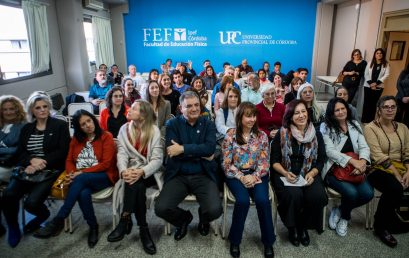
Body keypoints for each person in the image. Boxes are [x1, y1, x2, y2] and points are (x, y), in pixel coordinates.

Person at [33, 110, 118, 247]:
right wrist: (72, 173)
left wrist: (80, 173)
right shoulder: (76, 140)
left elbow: (106, 164)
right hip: (81, 178)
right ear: (79, 128)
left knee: (81, 180)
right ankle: (93, 226)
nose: (88, 125)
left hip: (104, 176)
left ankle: (60, 218)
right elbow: (69, 160)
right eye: (83, 124)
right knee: (83, 193)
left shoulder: (106, 136)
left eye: (89, 121)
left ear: (93, 120)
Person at [2, 91, 70, 247]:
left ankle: (43, 215)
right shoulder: (27, 128)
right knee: (8, 195)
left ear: (49, 107)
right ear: (32, 110)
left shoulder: (59, 125)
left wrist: (42, 162)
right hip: (28, 169)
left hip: (49, 169)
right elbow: (21, 152)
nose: (42, 110)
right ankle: (13, 228)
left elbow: (62, 151)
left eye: (45, 106)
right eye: (38, 107)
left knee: (31, 203)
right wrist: (31, 161)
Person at [155, 91, 223, 241]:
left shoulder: (208, 123)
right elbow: (172, 151)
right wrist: (199, 150)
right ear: (180, 108)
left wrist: (183, 149)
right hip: (179, 175)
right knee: (161, 208)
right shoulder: (172, 124)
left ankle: (203, 218)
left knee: (215, 210)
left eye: (197, 105)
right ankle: (184, 219)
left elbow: (210, 149)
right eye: (189, 106)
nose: (194, 109)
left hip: (203, 174)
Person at [107, 100, 163, 255]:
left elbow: (157, 160)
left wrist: (142, 171)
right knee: (135, 185)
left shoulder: (154, 130)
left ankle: (124, 219)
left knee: (135, 181)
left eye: (133, 109)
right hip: (131, 171)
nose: (128, 110)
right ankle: (144, 230)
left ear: (143, 114)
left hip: (149, 171)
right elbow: (122, 154)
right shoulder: (124, 129)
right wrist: (124, 171)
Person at [271, 99, 327, 247]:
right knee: (294, 195)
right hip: (285, 173)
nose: (301, 115)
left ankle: (303, 226)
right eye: (296, 113)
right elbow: (274, 160)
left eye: (303, 111)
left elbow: (321, 161)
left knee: (318, 196)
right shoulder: (282, 133)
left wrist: (313, 174)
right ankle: (292, 228)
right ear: (290, 116)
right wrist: (285, 172)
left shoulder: (317, 135)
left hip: (308, 173)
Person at [222, 102, 275, 258]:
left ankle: (268, 242)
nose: (252, 119)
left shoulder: (262, 136)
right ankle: (235, 241)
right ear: (240, 117)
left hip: (257, 174)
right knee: (243, 201)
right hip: (236, 175)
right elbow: (226, 162)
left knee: (263, 200)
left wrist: (254, 176)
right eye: (248, 116)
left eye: (254, 116)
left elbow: (265, 162)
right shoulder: (230, 135)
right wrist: (241, 176)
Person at [320, 98, 373, 236]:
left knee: (368, 194)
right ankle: (345, 218)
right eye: (337, 110)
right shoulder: (326, 127)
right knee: (352, 193)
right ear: (332, 113)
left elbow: (364, 146)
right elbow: (330, 151)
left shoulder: (354, 124)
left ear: (347, 109)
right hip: (334, 170)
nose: (341, 112)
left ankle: (340, 210)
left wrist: (362, 161)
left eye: (343, 108)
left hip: (356, 168)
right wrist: (352, 161)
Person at [364, 96, 409, 247]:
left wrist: (408, 171)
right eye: (386, 107)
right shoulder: (370, 128)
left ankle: (397, 217)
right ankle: (381, 226)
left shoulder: (403, 128)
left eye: (393, 107)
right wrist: (398, 175)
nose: (390, 110)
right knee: (395, 187)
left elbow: (407, 152)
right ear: (379, 110)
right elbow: (377, 155)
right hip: (377, 168)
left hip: (402, 167)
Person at [0, 95, 27, 237]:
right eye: (5, 109)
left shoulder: (23, 126)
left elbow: (18, 150)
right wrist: (7, 150)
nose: (8, 112)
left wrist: (3, 150)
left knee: (9, 194)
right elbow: (11, 149)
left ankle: (13, 226)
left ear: (17, 110)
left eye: (11, 109)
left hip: (14, 167)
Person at [361, 48, 390, 123]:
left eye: (380, 53)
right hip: (368, 86)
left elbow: (386, 75)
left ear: (383, 55)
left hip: (379, 87)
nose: (379, 54)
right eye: (377, 53)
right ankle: (364, 120)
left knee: (373, 104)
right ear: (375, 54)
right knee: (366, 103)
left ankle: (370, 121)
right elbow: (366, 73)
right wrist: (371, 83)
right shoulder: (370, 62)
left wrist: (376, 83)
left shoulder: (386, 64)